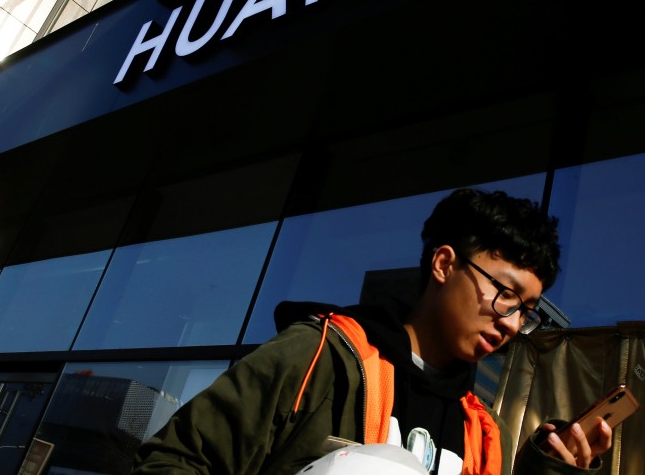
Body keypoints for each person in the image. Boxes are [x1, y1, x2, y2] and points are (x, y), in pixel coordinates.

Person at [131, 187, 612, 474]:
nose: (511, 322)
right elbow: (173, 461)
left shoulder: (484, 430)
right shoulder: (320, 355)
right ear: (444, 264)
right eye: (504, 294)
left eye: (526, 309)